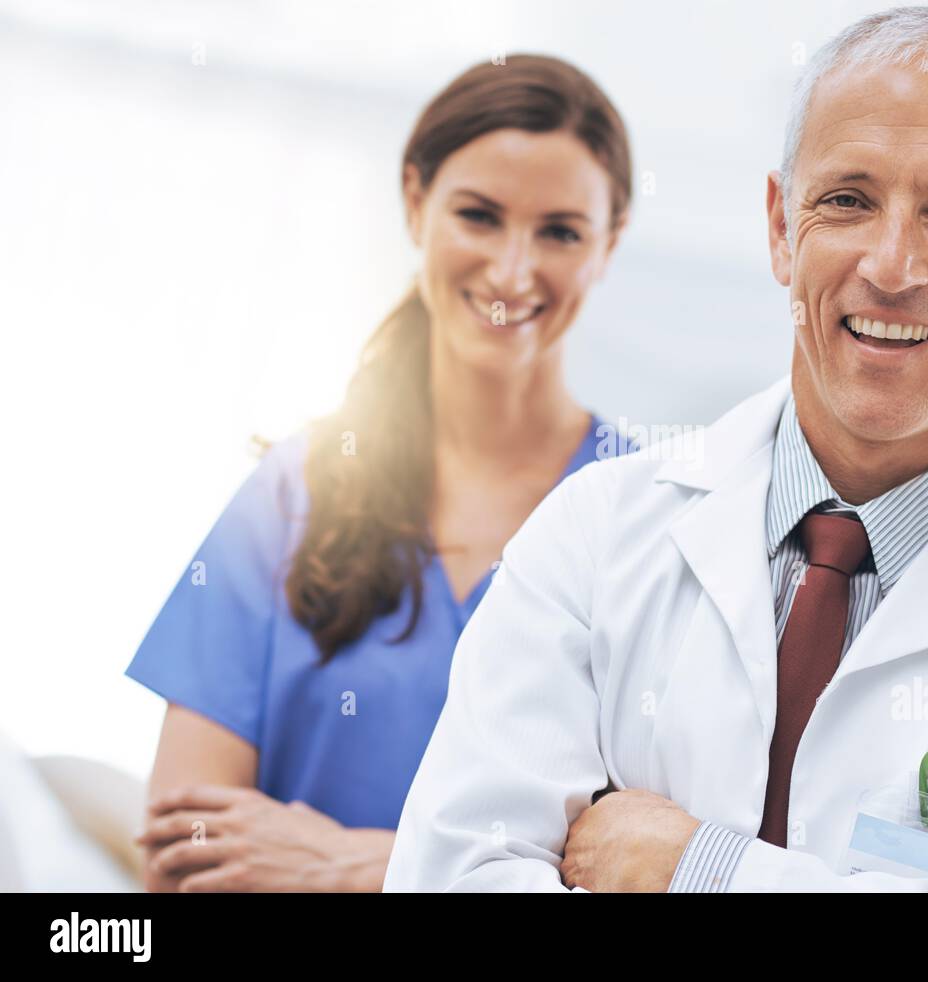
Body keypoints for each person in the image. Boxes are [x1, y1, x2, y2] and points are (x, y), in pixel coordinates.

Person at [384, 6, 928, 893]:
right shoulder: (594, 535)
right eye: (848, 201)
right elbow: (449, 875)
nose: (893, 266)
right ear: (783, 226)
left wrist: (701, 870)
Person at [125, 53, 634, 892]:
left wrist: (358, 867)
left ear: (608, 246)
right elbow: (184, 853)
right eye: (478, 215)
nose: (512, 271)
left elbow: (632, 865)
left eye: (560, 232)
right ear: (414, 203)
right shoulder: (295, 492)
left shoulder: (641, 517)